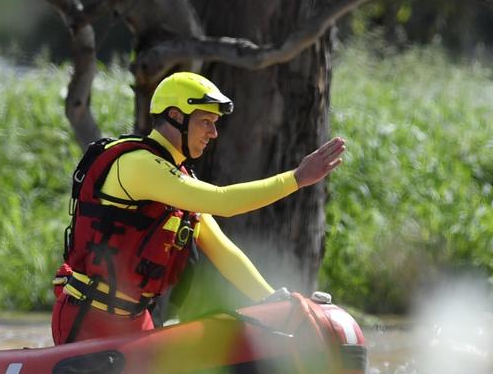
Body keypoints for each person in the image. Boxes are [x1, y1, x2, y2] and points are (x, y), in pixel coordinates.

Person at [51, 71, 345, 344]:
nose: (214, 133)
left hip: (135, 319)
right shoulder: (139, 165)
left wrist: (271, 299)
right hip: (89, 315)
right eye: (206, 121)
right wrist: (295, 179)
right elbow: (222, 201)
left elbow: (222, 250)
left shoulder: (180, 179)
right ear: (176, 116)